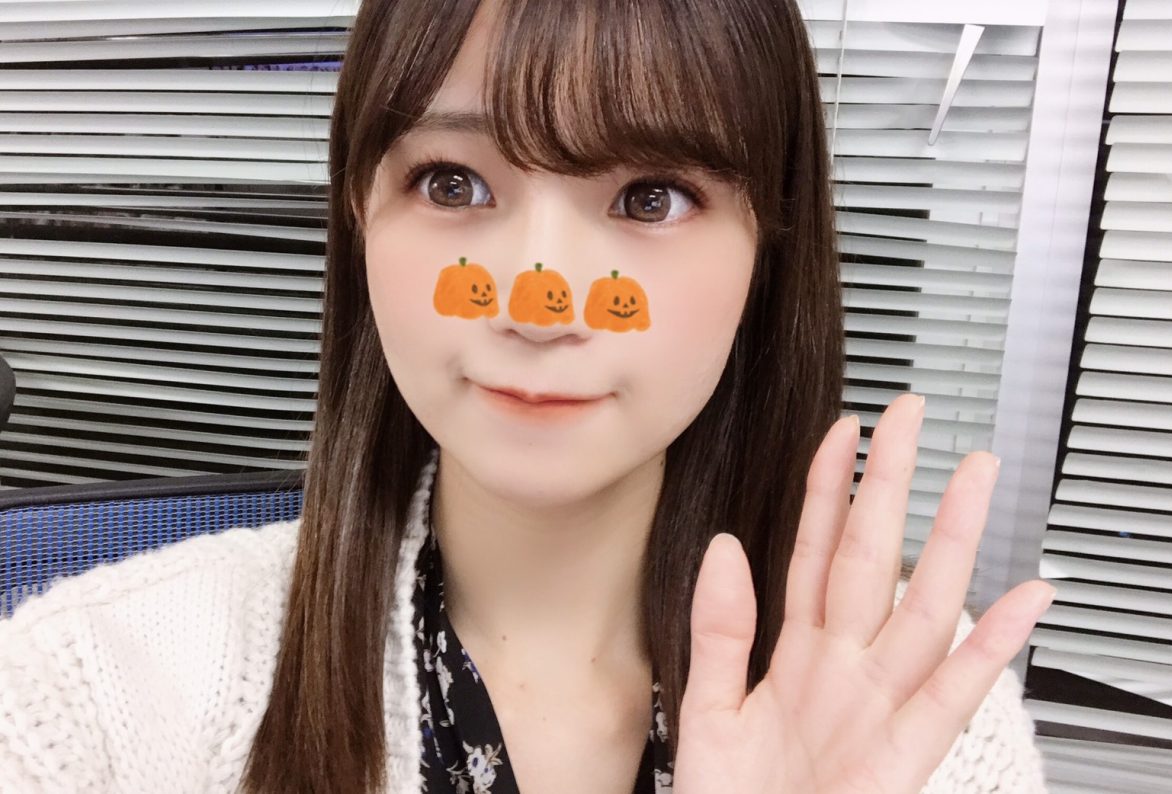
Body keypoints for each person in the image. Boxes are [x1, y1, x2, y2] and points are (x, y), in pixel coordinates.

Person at [0, 0, 1055, 792]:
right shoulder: (90, 692)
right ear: (360, 214)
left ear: (764, 256)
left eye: (650, 196)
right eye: (452, 183)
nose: (539, 305)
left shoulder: (915, 723)